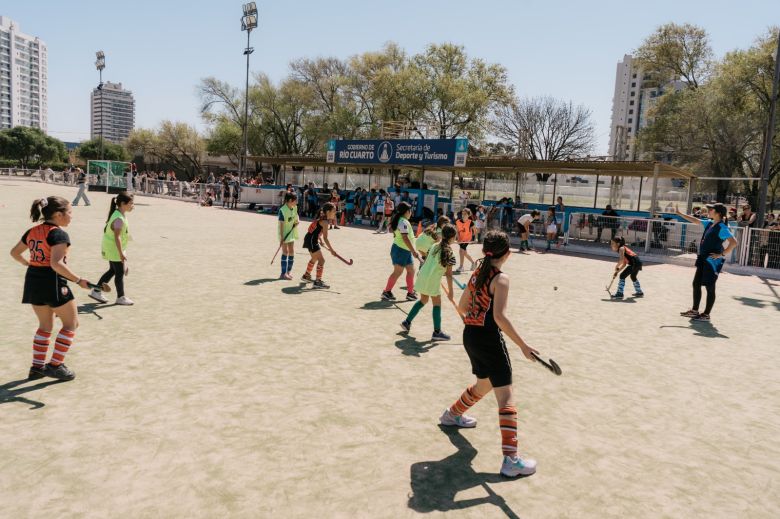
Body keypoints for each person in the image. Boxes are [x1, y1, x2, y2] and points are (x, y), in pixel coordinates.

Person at [440, 230, 539, 478]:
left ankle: (452, 414)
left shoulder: (477, 273)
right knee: (505, 396)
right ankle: (511, 460)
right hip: (488, 338)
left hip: (470, 335)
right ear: (506, 254)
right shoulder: (501, 278)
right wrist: (523, 345)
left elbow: (462, 307)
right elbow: (499, 317)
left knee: (483, 385)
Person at [9, 196, 95, 381]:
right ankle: (55, 365)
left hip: (33, 280)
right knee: (71, 324)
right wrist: (79, 280)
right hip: (53, 282)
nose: (72, 216)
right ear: (58, 214)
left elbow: (14, 253)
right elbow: (56, 264)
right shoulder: (58, 234)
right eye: (70, 212)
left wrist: (28, 263)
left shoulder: (32, 231)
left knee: (45, 326)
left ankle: (37, 368)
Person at [675, 203, 738, 322]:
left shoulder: (722, 227)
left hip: (711, 261)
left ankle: (706, 314)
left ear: (718, 213)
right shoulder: (710, 223)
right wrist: (680, 214)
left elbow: (734, 242)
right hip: (703, 258)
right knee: (696, 284)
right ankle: (694, 311)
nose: (709, 211)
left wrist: (721, 254)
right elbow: (695, 220)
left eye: (711, 209)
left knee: (710, 287)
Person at [401, 224, 457, 341]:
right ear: (452, 238)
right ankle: (437, 332)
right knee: (436, 304)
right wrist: (451, 292)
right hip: (432, 280)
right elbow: (449, 275)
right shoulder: (449, 252)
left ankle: (407, 322)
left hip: (423, 276)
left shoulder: (434, 245)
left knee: (423, 300)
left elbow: (429, 261)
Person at [90, 191, 135, 305]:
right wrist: (121, 253)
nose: (133, 206)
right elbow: (117, 237)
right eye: (131, 203)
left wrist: (123, 253)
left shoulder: (119, 214)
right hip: (114, 248)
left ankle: (96, 291)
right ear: (123, 204)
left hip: (112, 247)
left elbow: (123, 235)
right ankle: (121, 297)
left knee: (112, 270)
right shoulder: (119, 218)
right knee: (119, 273)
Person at [381, 202, 420, 301]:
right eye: (410, 211)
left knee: (411, 270)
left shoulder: (402, 220)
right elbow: (405, 238)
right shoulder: (403, 222)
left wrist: (411, 251)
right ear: (407, 211)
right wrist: (413, 251)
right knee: (398, 272)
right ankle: (386, 292)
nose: (411, 213)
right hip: (400, 250)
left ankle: (410, 293)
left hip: (405, 250)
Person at [302, 202, 337, 289]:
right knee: (321, 260)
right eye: (334, 211)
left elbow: (316, 230)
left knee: (314, 258)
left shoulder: (323, 219)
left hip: (309, 238)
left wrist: (319, 239)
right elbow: (326, 238)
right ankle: (318, 281)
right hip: (311, 240)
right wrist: (332, 250)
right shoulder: (325, 222)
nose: (335, 213)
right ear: (328, 212)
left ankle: (306, 275)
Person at [278, 192, 299, 280]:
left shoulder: (294, 208)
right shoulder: (282, 210)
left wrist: (297, 221)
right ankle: (283, 274)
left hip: (291, 233)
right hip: (284, 234)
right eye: (295, 200)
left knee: (291, 251)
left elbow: (296, 217)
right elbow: (281, 225)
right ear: (290, 200)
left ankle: (288, 272)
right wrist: (282, 238)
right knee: (285, 252)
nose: (297, 202)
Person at [455, 208, 476, 273]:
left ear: (468, 215)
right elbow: (457, 231)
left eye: (465, 214)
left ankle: (461, 267)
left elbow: (475, 231)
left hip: (467, 239)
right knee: (465, 253)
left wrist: (475, 239)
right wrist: (457, 238)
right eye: (462, 214)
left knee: (461, 251)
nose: (463, 215)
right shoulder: (457, 222)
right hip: (461, 239)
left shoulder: (470, 222)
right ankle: (473, 263)